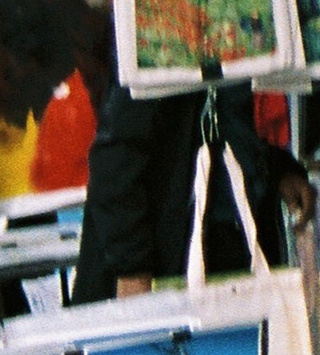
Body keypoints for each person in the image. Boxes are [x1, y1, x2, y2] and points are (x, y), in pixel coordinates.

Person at [73, 81, 302, 304]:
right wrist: (132, 271)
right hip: (164, 267)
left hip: (229, 247)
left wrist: (277, 170)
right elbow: (114, 160)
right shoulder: (154, 59)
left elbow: (227, 133)